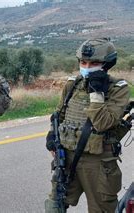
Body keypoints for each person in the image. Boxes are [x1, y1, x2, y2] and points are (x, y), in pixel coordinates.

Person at [44, 38, 130, 213]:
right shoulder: (72, 85)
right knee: (54, 206)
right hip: (67, 158)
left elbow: (103, 123)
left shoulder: (117, 88)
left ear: (106, 65)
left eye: (94, 63)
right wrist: (52, 135)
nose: (87, 66)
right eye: (83, 62)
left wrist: (96, 93)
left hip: (98, 163)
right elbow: (59, 114)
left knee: (101, 209)